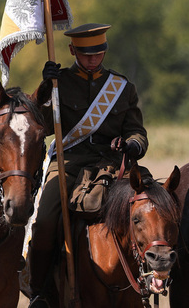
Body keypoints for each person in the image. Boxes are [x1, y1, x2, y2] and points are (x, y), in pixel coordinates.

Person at [26, 23, 148, 308]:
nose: (92, 59)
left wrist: (131, 145)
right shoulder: (60, 83)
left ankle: (150, 278)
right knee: (43, 223)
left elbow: (137, 132)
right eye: (85, 54)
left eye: (98, 53)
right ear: (72, 51)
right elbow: (37, 126)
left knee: (152, 207)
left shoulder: (122, 87)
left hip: (112, 164)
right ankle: (40, 292)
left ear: (105, 50)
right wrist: (43, 89)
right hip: (69, 163)